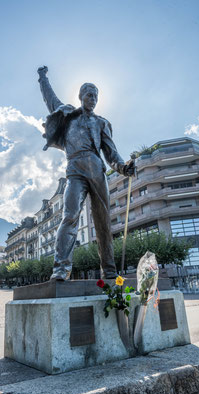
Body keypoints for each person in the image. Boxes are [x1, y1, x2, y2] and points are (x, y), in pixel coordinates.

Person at [37, 66, 135, 281]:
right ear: (81, 96)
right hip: (75, 169)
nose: (93, 99)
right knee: (69, 217)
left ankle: (109, 271)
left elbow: (111, 153)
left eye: (96, 96)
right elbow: (49, 98)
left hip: (96, 170)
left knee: (103, 222)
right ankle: (61, 269)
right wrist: (42, 78)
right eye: (89, 95)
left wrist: (123, 167)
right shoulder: (67, 115)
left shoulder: (101, 123)